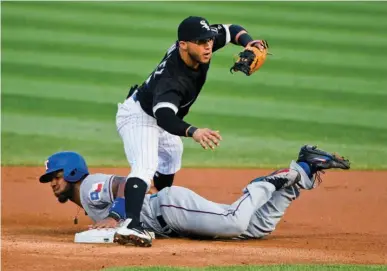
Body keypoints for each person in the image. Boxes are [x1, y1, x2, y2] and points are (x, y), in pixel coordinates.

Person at [114, 15, 270, 247]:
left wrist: (249, 42)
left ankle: (157, 208)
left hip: (158, 114)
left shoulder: (202, 47)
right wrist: (193, 131)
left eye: (208, 40)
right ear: (183, 45)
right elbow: (165, 117)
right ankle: (131, 224)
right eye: (201, 41)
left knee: (172, 154)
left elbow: (230, 29)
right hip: (140, 115)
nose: (208, 45)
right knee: (145, 165)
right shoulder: (173, 79)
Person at [39, 145, 350, 246]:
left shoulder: (91, 185)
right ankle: (301, 172)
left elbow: (128, 183)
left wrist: (115, 216)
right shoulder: (87, 200)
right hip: (172, 221)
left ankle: (271, 180)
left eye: (54, 177)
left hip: (170, 207)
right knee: (257, 229)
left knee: (233, 222)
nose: (52, 184)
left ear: (72, 173)